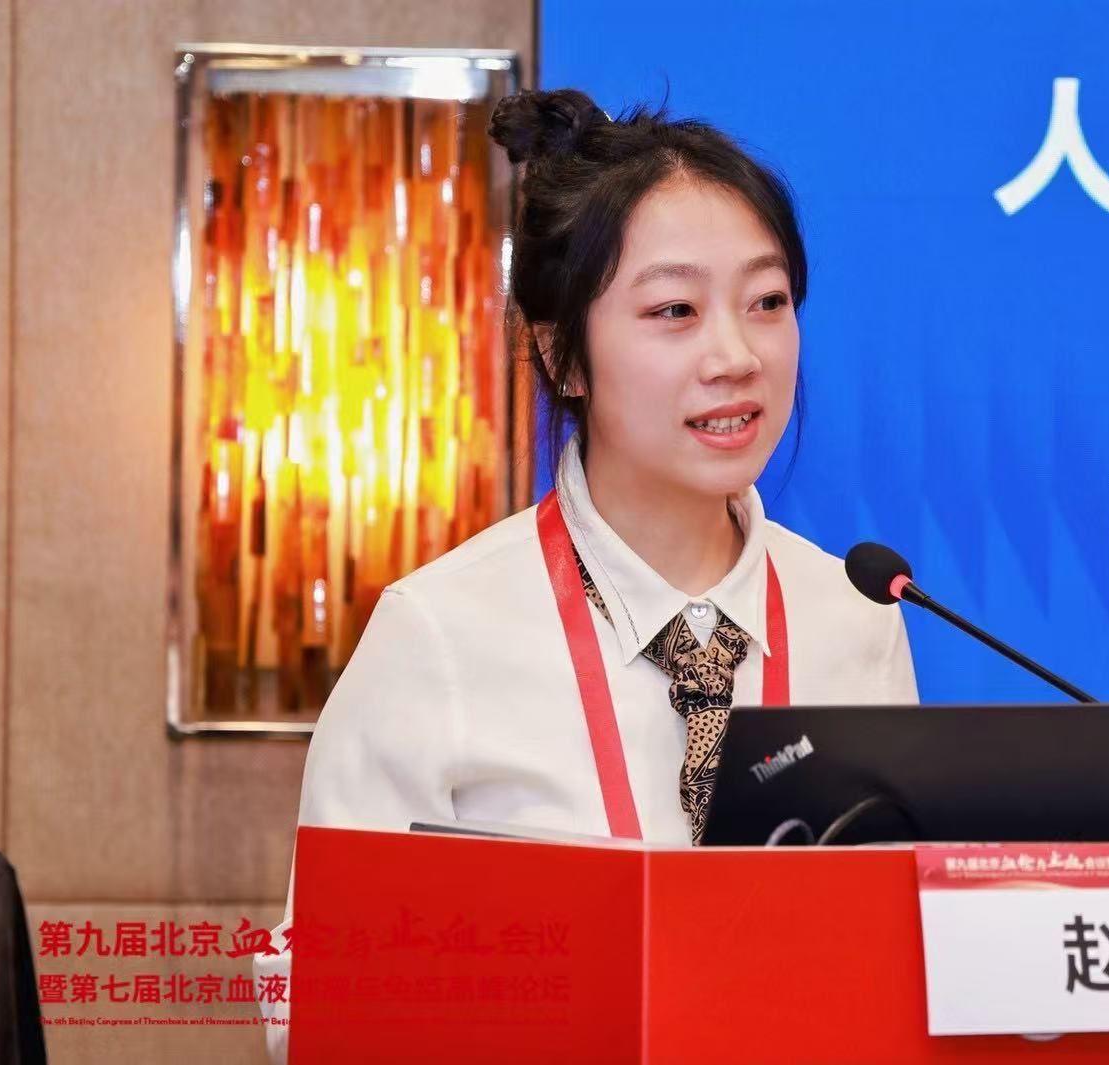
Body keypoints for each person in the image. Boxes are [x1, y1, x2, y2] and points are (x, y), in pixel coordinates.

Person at [255, 88, 917, 1059]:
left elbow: (895, 949)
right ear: (562, 353)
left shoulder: (853, 613)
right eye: (674, 310)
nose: (735, 355)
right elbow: (310, 996)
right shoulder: (441, 633)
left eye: (767, 302)